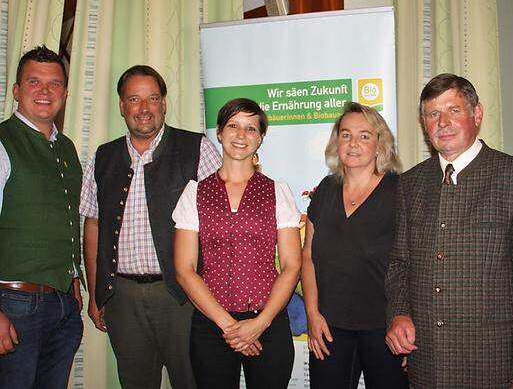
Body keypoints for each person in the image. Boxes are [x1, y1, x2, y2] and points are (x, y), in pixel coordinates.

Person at [385, 73, 513, 389]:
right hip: (427, 365)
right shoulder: (410, 183)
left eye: (453, 110)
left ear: (477, 114)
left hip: (492, 367)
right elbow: (399, 264)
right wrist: (399, 313)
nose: (443, 122)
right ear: (424, 124)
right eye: (433, 114)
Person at [80, 65, 220, 389]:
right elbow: (92, 225)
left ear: (164, 103)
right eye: (134, 99)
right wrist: (96, 292)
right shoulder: (102, 158)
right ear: (122, 106)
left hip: (182, 297)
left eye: (152, 98)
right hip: (122, 299)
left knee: (194, 380)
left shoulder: (196, 148)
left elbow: (220, 222)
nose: (144, 108)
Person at [172, 98, 302, 389]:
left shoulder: (277, 192)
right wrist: (231, 328)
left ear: (261, 138)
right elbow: (184, 269)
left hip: (268, 322)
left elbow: (293, 266)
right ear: (219, 132)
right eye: (233, 126)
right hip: (211, 324)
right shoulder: (195, 193)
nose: (241, 136)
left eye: (251, 129)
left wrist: (259, 324)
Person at [300, 102, 407, 389]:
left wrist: (408, 322)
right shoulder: (325, 190)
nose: (353, 143)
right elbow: (308, 255)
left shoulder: (401, 191)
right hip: (329, 328)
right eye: (346, 135)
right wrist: (312, 314)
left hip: (385, 329)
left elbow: (414, 264)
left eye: (364, 135)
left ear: (380, 143)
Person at [0, 45, 83, 388]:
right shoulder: (3, 141)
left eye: (54, 83)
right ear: (17, 90)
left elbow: (65, 219)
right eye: (35, 82)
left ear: (65, 91)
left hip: (63, 305)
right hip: (14, 305)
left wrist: (73, 279)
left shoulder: (66, 148)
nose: (45, 91)